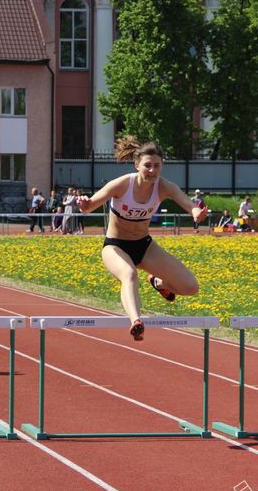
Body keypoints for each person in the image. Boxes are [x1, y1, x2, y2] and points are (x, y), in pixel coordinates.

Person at [76, 135, 208, 341]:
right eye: (148, 166)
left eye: (157, 166)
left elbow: (188, 204)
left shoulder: (165, 187)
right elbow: (90, 205)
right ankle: (136, 321)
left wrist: (195, 213)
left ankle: (159, 283)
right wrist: (84, 204)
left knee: (190, 287)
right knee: (129, 275)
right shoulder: (121, 185)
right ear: (137, 165)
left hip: (144, 246)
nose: (152, 171)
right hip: (115, 246)